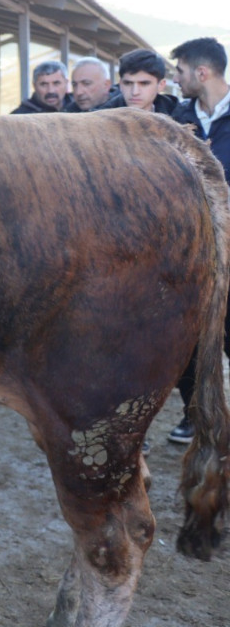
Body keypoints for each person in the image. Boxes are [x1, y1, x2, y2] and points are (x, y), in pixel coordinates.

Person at [167, 37, 230, 445]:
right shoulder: (177, 116)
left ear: (200, 73)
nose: (176, 79)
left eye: (180, 71)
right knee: (189, 342)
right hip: (193, 254)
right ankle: (196, 417)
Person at [96, 49, 179, 115]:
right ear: (120, 84)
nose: (135, 92)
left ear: (161, 85)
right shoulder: (99, 119)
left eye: (144, 84)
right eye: (128, 83)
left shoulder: (179, 116)